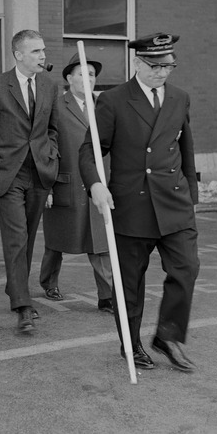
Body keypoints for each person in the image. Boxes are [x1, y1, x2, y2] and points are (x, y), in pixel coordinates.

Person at [78, 32, 200, 372]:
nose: (162, 73)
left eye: (168, 66)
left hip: (174, 202)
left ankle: (168, 335)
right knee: (130, 281)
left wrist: (192, 194)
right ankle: (130, 345)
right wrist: (96, 185)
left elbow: (185, 150)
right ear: (137, 63)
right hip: (132, 205)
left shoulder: (179, 98)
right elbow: (90, 150)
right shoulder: (115, 100)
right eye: (155, 66)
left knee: (187, 268)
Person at [0, 29, 60, 333]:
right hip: (8, 173)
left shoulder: (49, 85)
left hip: (39, 171)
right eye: (35, 51)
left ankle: (15, 286)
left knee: (30, 236)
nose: (42, 56)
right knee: (16, 238)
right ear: (18, 55)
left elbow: (53, 129)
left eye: (43, 50)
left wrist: (51, 155)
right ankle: (23, 304)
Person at [39, 52, 114, 314]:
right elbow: (46, 147)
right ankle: (48, 281)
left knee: (101, 243)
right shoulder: (56, 106)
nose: (88, 79)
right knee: (57, 242)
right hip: (66, 184)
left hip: (98, 185)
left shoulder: (104, 106)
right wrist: (46, 186)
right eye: (82, 74)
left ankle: (107, 296)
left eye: (92, 75)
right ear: (70, 78)